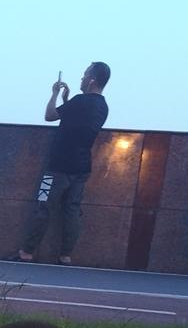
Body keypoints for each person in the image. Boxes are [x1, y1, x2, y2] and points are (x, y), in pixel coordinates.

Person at [6, 62, 110, 265]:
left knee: (43, 205)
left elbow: (49, 116)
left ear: (91, 80)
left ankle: (26, 252)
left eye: (84, 75)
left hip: (57, 165)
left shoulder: (81, 101)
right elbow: (78, 119)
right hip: (81, 167)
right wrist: (66, 100)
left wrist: (54, 93)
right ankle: (65, 255)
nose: (81, 79)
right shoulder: (102, 106)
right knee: (72, 210)